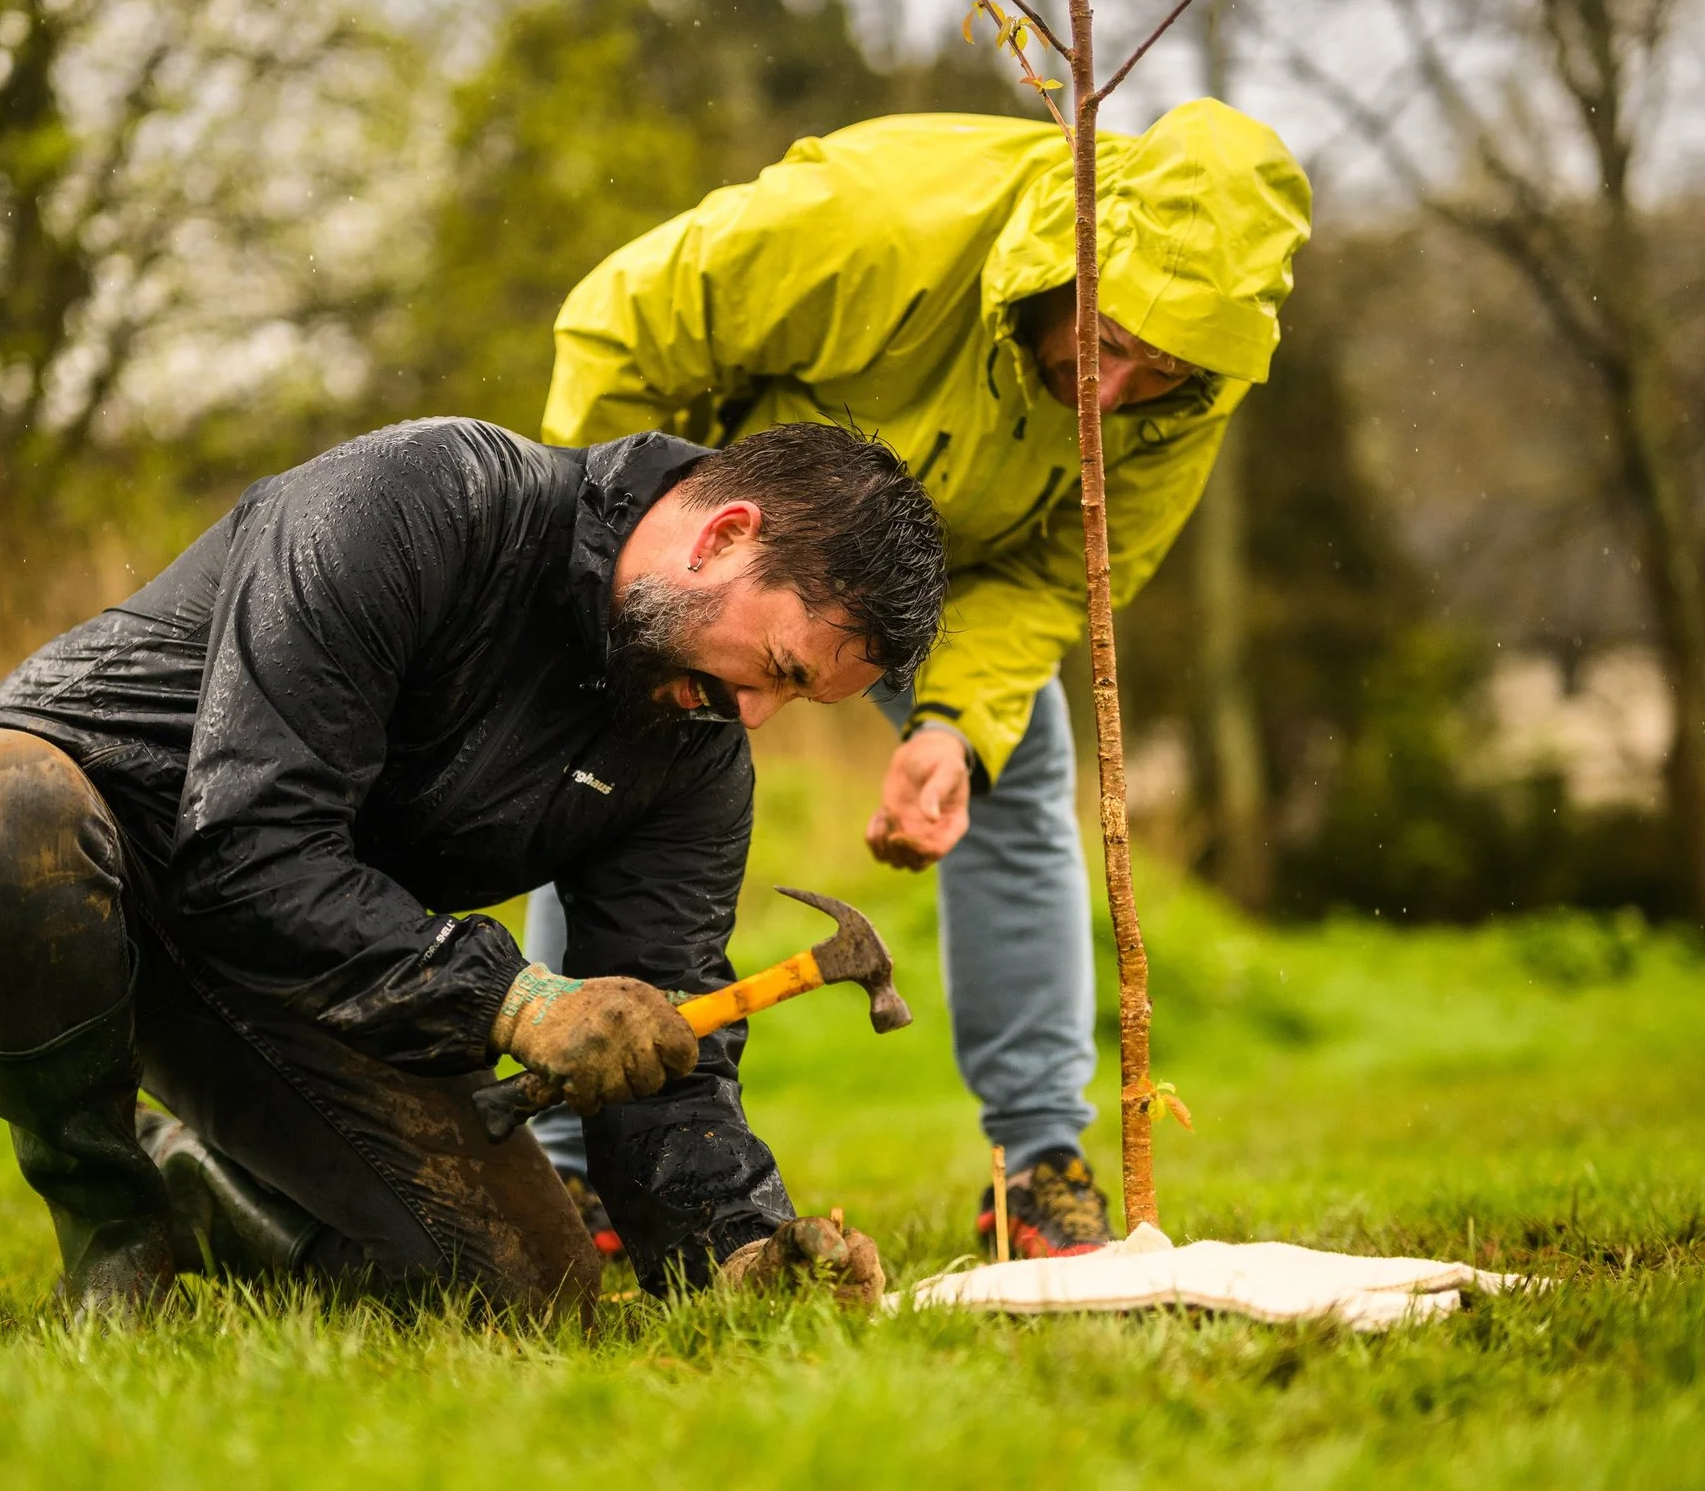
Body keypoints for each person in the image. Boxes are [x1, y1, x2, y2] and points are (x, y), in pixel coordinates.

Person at [0, 416, 945, 1319]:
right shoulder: (425, 497)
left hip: (274, 966)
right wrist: (513, 998)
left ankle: (202, 1185)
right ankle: (110, 1218)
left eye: (795, 700)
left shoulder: (693, 747)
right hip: (32, 854)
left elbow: (662, 1038)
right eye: (777, 668)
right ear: (724, 534)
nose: (755, 712)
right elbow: (246, 844)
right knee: (3, 805)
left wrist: (738, 1246)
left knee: (529, 1293)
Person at [533, 101, 1312, 1258]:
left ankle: (1036, 1165)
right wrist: (630, 574)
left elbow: (1059, 571)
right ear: (1068, 261)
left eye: (1158, 371)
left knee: (1019, 753)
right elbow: (625, 323)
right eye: (1104, 342)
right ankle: (570, 1157)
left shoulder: (1190, 381)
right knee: (619, 754)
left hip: (947, 580)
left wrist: (951, 726)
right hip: (745, 542)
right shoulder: (879, 221)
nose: (1110, 394)